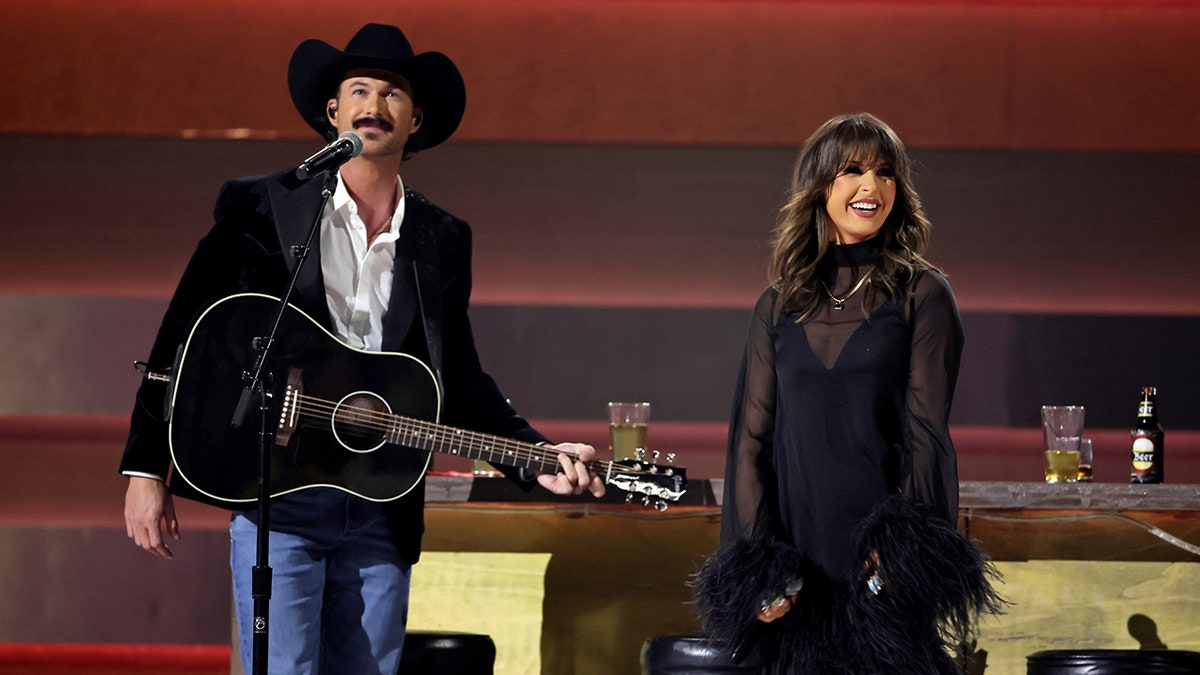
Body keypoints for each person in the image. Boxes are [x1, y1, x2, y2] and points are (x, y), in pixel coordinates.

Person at [120, 22, 605, 674]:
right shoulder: (266, 207)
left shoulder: (441, 237)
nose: (373, 104)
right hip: (280, 499)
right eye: (359, 90)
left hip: (381, 503)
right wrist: (147, 466)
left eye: (391, 93)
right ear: (334, 113)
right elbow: (179, 334)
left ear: (416, 121)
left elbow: (453, 375)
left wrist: (533, 454)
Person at [694, 113, 1000, 674]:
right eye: (853, 170)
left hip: (876, 571)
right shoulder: (777, 304)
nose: (871, 187)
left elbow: (926, 436)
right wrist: (762, 569)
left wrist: (899, 554)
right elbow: (751, 442)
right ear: (820, 186)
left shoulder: (922, 295)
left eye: (886, 173)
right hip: (795, 573)